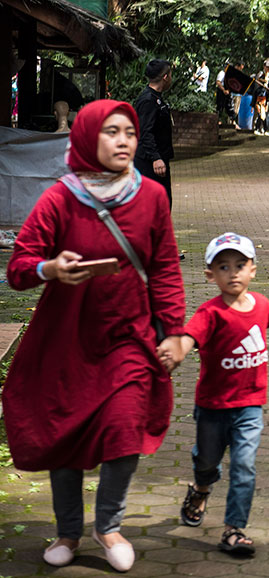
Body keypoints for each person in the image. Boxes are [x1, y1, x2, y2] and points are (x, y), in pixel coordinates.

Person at [3, 100, 185, 572]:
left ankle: (109, 527)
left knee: (124, 430)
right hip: (65, 343)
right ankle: (68, 531)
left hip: (129, 338)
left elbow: (165, 269)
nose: (124, 141)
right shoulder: (60, 198)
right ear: (87, 137)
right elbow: (19, 268)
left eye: (130, 132)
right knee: (64, 435)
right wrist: (50, 268)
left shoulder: (151, 197)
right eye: (112, 132)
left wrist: (174, 332)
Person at [173, 232, 269, 557]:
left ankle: (234, 529)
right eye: (223, 267)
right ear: (210, 275)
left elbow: (262, 327)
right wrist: (176, 353)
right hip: (213, 406)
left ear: (252, 270)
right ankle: (201, 488)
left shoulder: (264, 306)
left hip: (250, 405)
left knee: (244, 466)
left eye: (240, 265)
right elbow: (188, 338)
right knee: (207, 461)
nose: (233, 273)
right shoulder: (209, 313)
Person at [134, 59, 175, 206]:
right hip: (149, 163)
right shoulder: (148, 100)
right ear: (165, 77)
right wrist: (155, 158)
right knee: (154, 204)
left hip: (160, 159)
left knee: (163, 203)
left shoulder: (157, 99)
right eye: (170, 75)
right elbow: (145, 132)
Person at [215, 61, 232, 127]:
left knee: (228, 106)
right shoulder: (222, 73)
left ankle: (231, 121)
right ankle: (218, 120)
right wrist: (223, 90)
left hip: (227, 92)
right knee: (220, 106)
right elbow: (218, 82)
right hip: (221, 91)